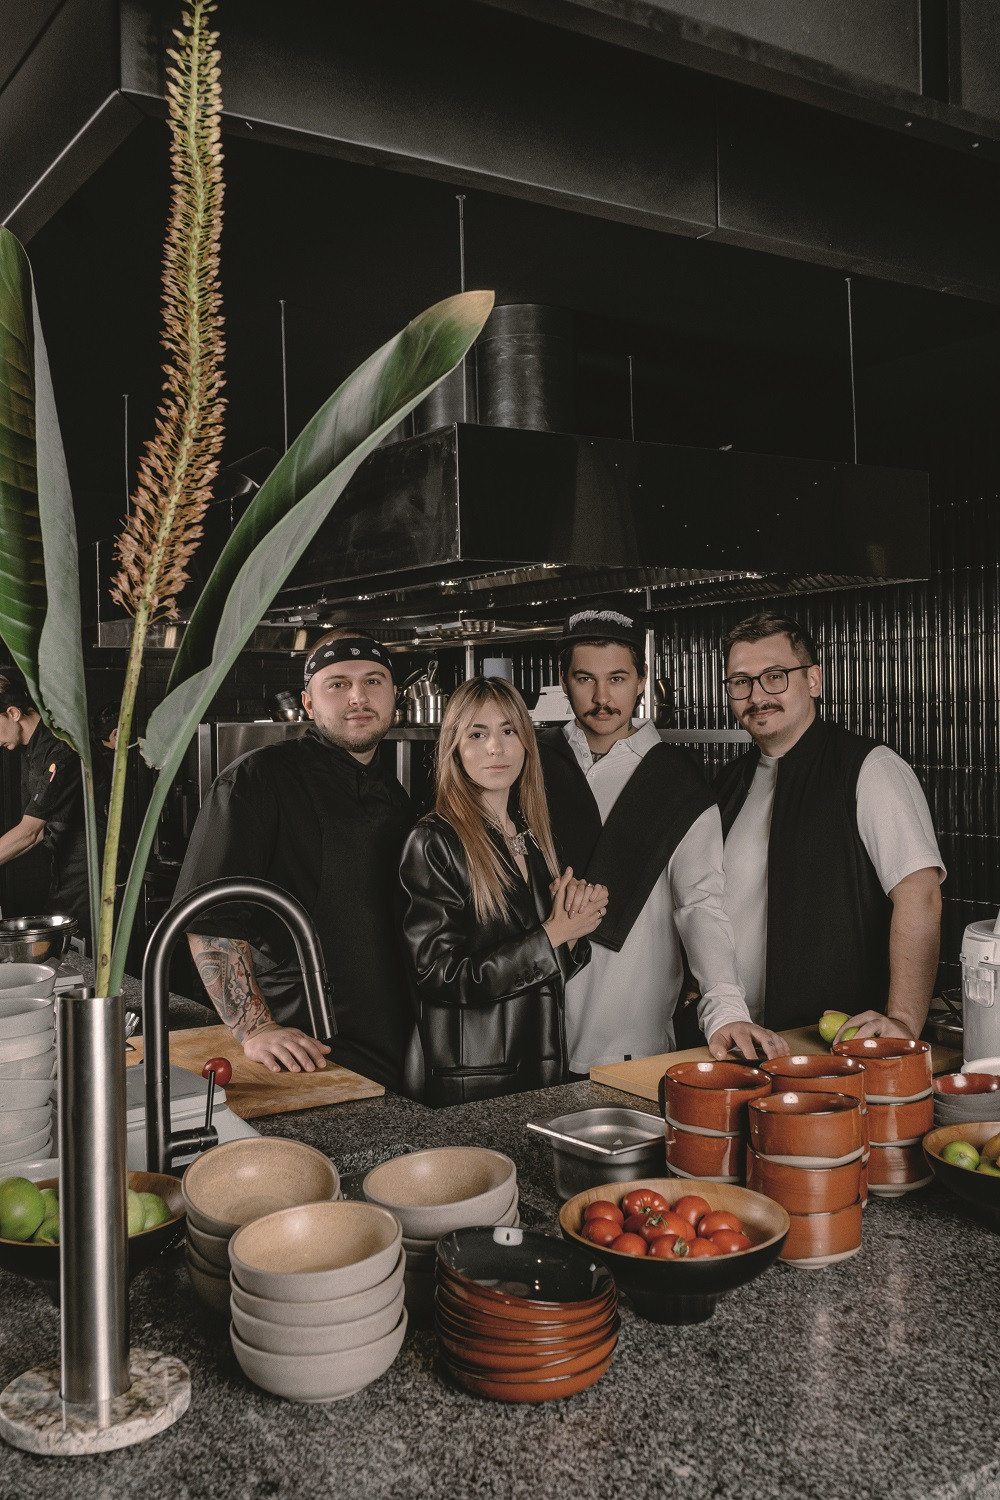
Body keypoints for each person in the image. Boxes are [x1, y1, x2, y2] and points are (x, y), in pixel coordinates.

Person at [537, 605, 786, 1068]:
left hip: (631, 1037)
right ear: (564, 681)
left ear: (641, 679)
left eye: (617, 678)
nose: (602, 697)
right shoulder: (530, 764)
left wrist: (726, 1009)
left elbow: (700, 904)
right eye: (585, 679)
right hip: (526, 1032)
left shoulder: (677, 782)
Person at [173, 629, 415, 1088]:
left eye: (373, 680)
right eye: (338, 684)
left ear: (394, 695)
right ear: (308, 703)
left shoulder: (395, 794)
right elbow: (210, 920)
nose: (359, 696)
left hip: (394, 1035)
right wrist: (255, 1028)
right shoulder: (257, 779)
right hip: (304, 1042)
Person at [715, 611, 945, 1041]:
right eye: (741, 682)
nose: (757, 696)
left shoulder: (869, 768)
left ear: (814, 680)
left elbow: (921, 895)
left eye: (775, 676)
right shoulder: (729, 783)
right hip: (742, 1038)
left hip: (835, 1041)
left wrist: (903, 1021)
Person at [399, 677, 607, 1106]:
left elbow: (541, 969)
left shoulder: (530, 836)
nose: (496, 747)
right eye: (477, 734)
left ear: (526, 743)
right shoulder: (434, 840)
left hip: (540, 1070)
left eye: (509, 730)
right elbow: (439, 976)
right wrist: (553, 933)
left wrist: (573, 926)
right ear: (455, 748)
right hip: (474, 1081)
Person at [0, 671, 92, 943]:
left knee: (87, 951)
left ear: (13, 713)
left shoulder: (61, 746)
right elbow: (37, 833)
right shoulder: (30, 750)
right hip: (62, 870)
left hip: (91, 874)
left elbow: (29, 832)